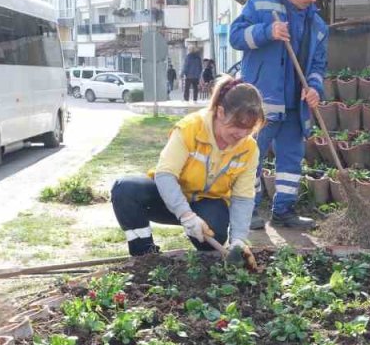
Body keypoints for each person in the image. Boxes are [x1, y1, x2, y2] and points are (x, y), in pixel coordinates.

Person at [110, 75, 262, 264]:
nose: (242, 134)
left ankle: (206, 260)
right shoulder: (190, 128)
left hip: (207, 204)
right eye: (238, 126)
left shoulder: (249, 148)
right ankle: (145, 256)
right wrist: (186, 215)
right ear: (221, 112)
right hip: (168, 198)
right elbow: (165, 175)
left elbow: (243, 197)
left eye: (248, 129)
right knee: (125, 189)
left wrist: (238, 239)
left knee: (213, 237)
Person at [229, 0, 328, 231]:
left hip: (296, 106)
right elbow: (236, 37)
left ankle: (284, 211)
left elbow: (319, 64)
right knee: (252, 156)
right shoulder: (260, 5)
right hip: (260, 102)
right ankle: (248, 210)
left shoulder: (317, 25)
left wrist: (315, 88)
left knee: (291, 160)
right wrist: (267, 32)